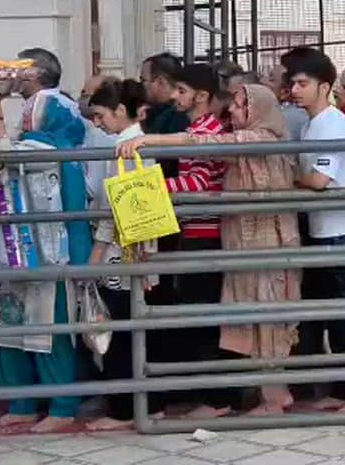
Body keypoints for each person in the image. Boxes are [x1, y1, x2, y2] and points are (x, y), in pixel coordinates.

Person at [119, 83, 301, 414]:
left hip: (267, 247)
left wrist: (149, 140)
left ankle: (274, 396)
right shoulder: (245, 138)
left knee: (267, 320)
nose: (230, 110)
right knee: (244, 320)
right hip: (243, 247)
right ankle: (265, 395)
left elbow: (207, 142)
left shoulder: (262, 138)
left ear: (257, 109)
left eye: (239, 104)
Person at [0, 88, 91, 433]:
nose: (26, 114)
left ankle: (62, 406)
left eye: (33, 108)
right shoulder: (25, 146)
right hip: (13, 253)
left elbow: (2, 157)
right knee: (10, 330)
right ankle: (22, 403)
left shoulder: (59, 154)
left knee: (51, 334)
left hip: (51, 256)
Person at [287, 48, 345, 412]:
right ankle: (341, 388)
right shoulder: (311, 123)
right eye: (292, 83)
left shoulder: (332, 123)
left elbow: (320, 180)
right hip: (324, 227)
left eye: (303, 83)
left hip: (342, 229)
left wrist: (290, 178)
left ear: (325, 86)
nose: (295, 90)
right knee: (327, 313)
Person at [83, 78, 161, 430]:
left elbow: (114, 210)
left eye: (100, 115)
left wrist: (96, 254)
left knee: (120, 334)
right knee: (131, 332)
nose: (97, 122)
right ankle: (138, 405)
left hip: (122, 252)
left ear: (119, 111)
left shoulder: (126, 149)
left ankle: (125, 411)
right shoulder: (139, 144)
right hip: (138, 251)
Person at [161, 64, 234, 420]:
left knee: (203, 316)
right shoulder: (200, 129)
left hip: (206, 236)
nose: (174, 96)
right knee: (199, 314)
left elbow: (198, 184)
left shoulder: (206, 132)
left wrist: (150, 189)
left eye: (180, 90)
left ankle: (215, 400)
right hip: (200, 232)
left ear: (201, 96)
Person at [140, 53, 190, 176]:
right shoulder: (158, 112)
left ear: (160, 81)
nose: (141, 85)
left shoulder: (178, 116)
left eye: (143, 80)